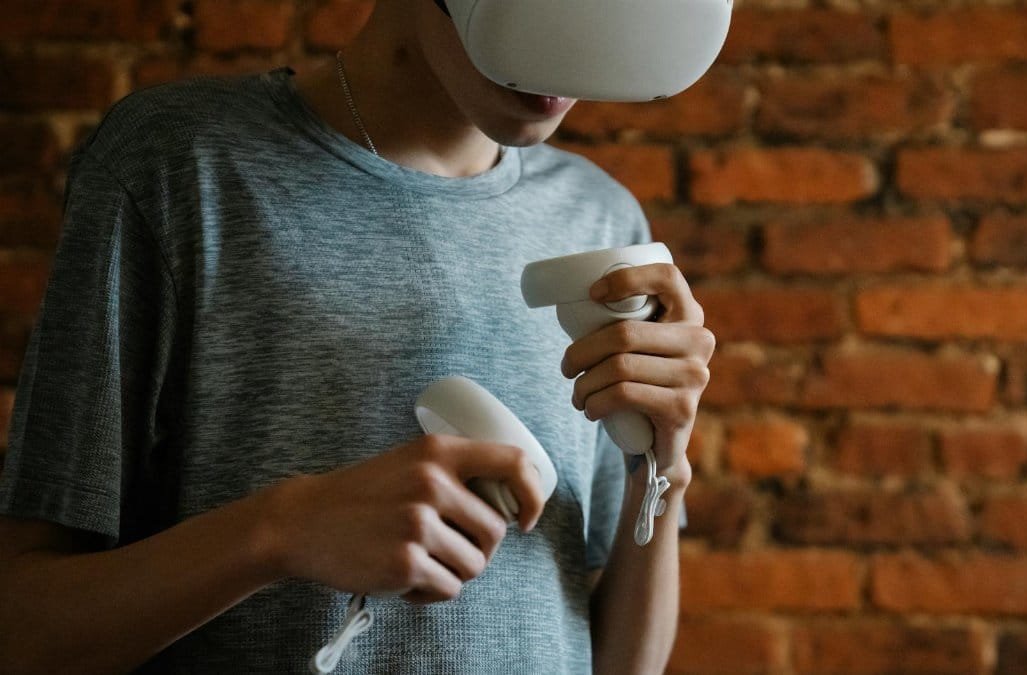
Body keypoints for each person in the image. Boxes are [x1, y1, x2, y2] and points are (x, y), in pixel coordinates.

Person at [0, 0, 714, 673]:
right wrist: (282, 529)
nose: (564, 64)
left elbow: (618, 660)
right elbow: (25, 632)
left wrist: (665, 466)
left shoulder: (600, 221)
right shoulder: (178, 169)